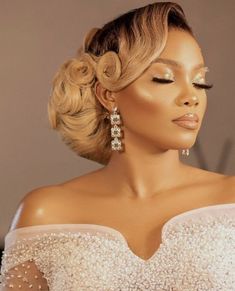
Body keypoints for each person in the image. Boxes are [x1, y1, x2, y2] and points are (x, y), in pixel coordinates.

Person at [0, 1, 235, 290]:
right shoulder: (45, 213)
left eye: (200, 82)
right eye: (165, 78)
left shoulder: (230, 201)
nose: (192, 97)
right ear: (108, 95)